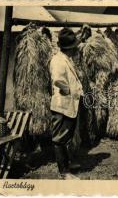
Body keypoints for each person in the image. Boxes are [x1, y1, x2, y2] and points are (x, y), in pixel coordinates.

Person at [49, 28, 83, 179]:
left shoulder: (65, 58)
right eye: (74, 46)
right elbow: (57, 79)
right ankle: (64, 172)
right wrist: (68, 90)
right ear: (70, 48)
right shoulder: (58, 60)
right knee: (59, 139)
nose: (76, 48)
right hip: (62, 105)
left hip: (69, 104)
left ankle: (67, 164)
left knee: (67, 136)